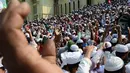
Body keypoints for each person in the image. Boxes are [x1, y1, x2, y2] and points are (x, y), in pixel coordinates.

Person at [0, 0, 63, 73]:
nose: (39, 46)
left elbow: (56, 46)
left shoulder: (34, 57)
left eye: (41, 45)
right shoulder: (33, 55)